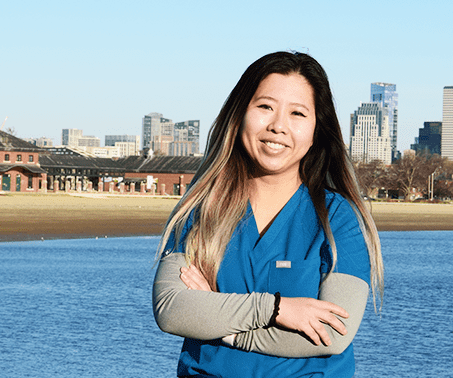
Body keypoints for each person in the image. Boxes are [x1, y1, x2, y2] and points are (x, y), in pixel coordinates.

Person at [151, 51, 384, 377]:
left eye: (297, 113)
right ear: (239, 114)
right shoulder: (203, 210)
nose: (278, 126)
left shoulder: (338, 219)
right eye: (265, 107)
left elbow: (331, 335)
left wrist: (221, 323)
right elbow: (172, 310)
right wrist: (277, 309)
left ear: (318, 129)